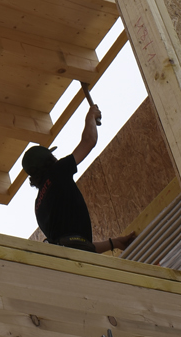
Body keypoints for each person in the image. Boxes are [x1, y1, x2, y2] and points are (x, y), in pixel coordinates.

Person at [22, 103, 136, 254]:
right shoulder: (57, 172)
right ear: (50, 159)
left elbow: (78, 246)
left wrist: (114, 243)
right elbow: (89, 141)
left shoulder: (39, 206)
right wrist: (90, 117)